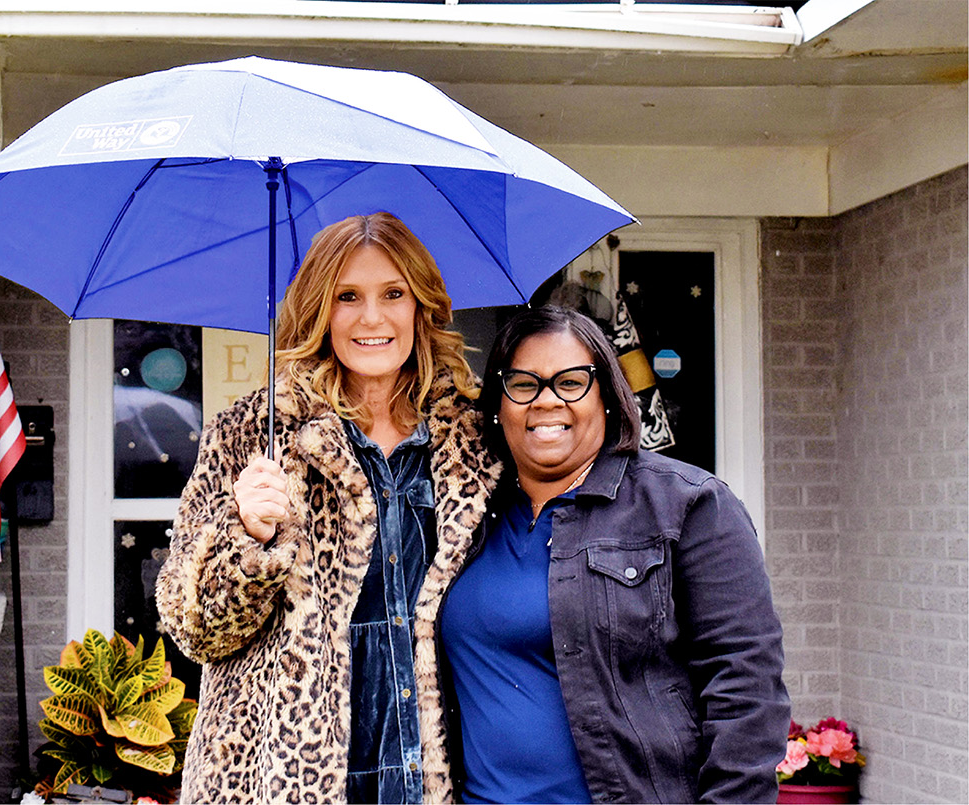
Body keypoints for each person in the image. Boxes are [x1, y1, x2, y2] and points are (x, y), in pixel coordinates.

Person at [155, 212, 499, 804]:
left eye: (394, 294)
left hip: (444, 777)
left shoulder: (475, 442)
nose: (372, 317)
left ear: (421, 307)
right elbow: (193, 630)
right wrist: (245, 538)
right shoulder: (254, 434)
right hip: (280, 777)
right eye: (348, 296)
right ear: (320, 310)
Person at [440, 306, 787, 803]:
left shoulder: (686, 506)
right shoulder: (463, 516)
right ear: (499, 402)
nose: (546, 402)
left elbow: (747, 692)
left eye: (571, 382)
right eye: (524, 383)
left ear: (606, 394)